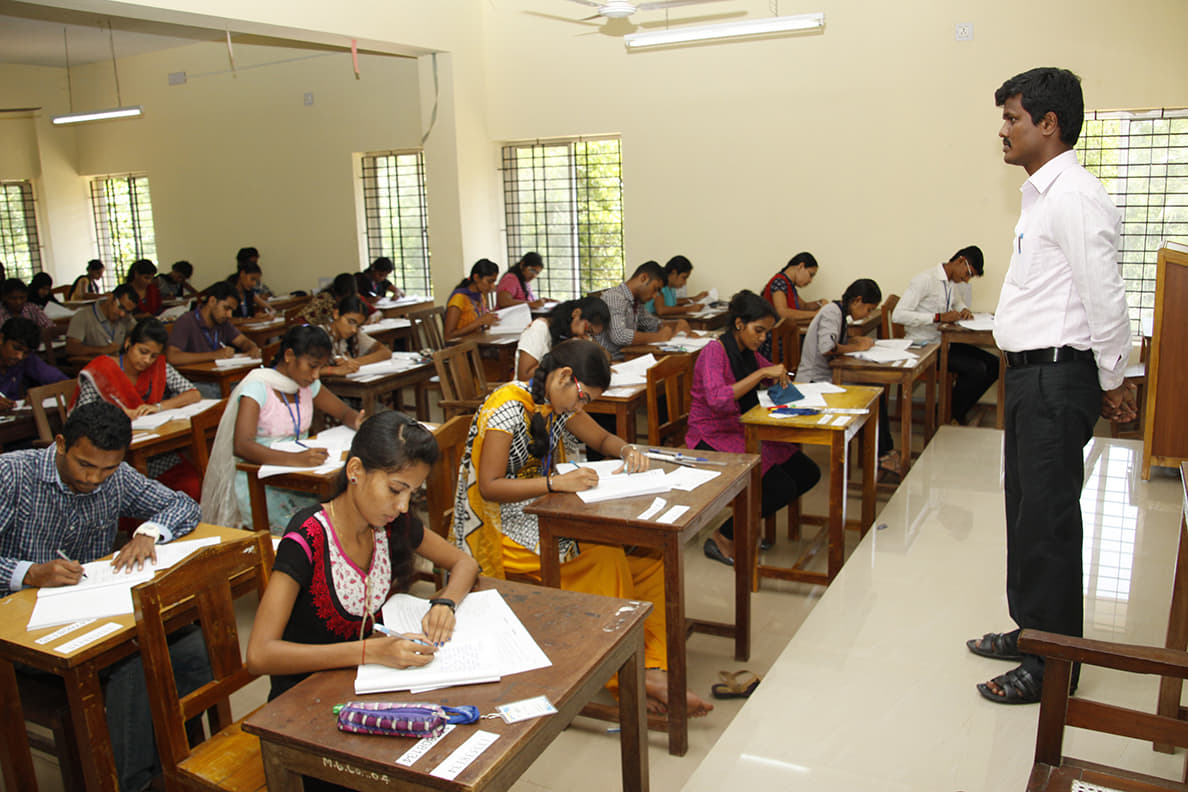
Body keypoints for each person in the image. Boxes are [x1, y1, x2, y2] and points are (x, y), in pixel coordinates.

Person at [967, 67, 1135, 706]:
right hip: (1032, 375)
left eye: (1012, 118)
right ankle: (1031, 629)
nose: (1003, 131)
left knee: (1049, 521)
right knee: (1025, 512)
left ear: (1049, 124)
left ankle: (1053, 663)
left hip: (1058, 377)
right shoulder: (1042, 196)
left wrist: (1114, 379)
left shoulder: (1074, 196)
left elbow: (1104, 295)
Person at [452, 338, 712, 717]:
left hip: (543, 509)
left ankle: (653, 665)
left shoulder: (557, 402)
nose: (581, 407)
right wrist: (554, 484)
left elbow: (602, 438)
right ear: (565, 377)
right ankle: (627, 676)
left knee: (651, 559)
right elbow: (490, 487)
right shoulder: (507, 407)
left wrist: (627, 451)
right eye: (583, 398)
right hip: (499, 527)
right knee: (604, 557)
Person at [0, 401, 206, 792]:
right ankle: (131, 783)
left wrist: (149, 531)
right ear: (60, 444)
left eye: (106, 468)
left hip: (91, 614)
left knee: (193, 645)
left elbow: (183, 505)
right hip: (21, 629)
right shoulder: (12, 474)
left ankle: (173, 763)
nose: (94, 479)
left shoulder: (116, 476)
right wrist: (27, 572)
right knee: (137, 657)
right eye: (84, 465)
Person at [246, 411, 479, 702]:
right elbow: (259, 654)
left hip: (369, 686)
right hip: (305, 699)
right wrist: (369, 652)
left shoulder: (391, 524)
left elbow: (465, 563)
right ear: (355, 470)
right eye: (395, 489)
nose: (404, 505)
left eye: (412, 493)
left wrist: (445, 603)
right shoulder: (308, 536)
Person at [688, 290, 821, 566]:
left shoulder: (747, 351)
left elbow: (770, 375)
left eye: (766, 333)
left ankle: (747, 525)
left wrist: (778, 376)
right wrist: (761, 374)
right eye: (758, 331)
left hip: (740, 427)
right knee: (780, 486)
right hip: (710, 435)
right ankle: (723, 536)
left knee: (807, 472)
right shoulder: (715, 351)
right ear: (739, 324)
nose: (762, 338)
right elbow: (717, 398)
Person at [200, 325, 364, 534]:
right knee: (315, 527)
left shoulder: (306, 384)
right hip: (260, 481)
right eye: (312, 366)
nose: (315, 375)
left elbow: (342, 412)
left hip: (302, 475)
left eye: (320, 368)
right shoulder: (257, 387)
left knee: (346, 509)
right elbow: (242, 446)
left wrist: (356, 420)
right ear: (289, 356)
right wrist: (298, 460)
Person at [73, 318, 203, 499]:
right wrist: (120, 414)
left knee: (194, 484)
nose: (147, 360)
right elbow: (83, 414)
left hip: (156, 452)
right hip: (111, 457)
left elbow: (193, 394)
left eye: (153, 356)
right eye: (143, 352)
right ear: (128, 343)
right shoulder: (101, 370)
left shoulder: (158, 367)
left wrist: (158, 407)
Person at [799, 278, 900, 475]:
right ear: (857, 300)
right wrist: (856, 347)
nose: (868, 314)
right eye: (868, 309)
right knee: (874, 395)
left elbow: (835, 339)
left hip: (829, 375)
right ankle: (882, 453)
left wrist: (855, 339)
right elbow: (827, 347)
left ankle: (883, 451)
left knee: (876, 390)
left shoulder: (839, 312)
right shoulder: (831, 312)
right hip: (815, 381)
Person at [891, 245, 999, 425]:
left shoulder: (950, 283)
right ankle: (946, 414)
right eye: (968, 274)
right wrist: (938, 317)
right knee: (977, 370)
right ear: (960, 261)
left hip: (943, 343)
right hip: (925, 347)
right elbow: (898, 315)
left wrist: (963, 309)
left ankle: (953, 410)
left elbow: (957, 302)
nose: (966, 280)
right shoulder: (925, 280)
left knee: (994, 364)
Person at [165, 281, 261, 384]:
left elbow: (242, 341)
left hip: (219, 378)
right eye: (226, 308)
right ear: (212, 301)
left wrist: (252, 347)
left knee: (256, 383)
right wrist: (213, 355)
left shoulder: (223, 322)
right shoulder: (186, 321)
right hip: (196, 382)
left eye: (232, 310)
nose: (229, 315)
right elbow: (172, 357)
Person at [595, 261, 690, 358]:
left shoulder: (636, 302)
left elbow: (651, 323)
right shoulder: (615, 297)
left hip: (629, 356)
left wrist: (677, 323)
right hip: (611, 361)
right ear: (643, 278)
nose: (654, 296)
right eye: (655, 289)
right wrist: (657, 337)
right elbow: (619, 335)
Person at [515, 295, 610, 380]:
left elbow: (607, 357)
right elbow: (524, 377)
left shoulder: (572, 335)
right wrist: (562, 353)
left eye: (590, 334)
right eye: (587, 330)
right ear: (576, 313)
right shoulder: (539, 328)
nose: (586, 336)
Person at [0, 317, 67, 409]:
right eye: (16, 348)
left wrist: (42, 393)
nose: (19, 356)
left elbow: (65, 382)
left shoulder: (26, 360)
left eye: (26, 353)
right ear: (1, 338)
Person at [318, 296, 392, 377]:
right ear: (336, 314)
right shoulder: (318, 335)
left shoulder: (355, 335)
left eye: (358, 325)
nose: (354, 330)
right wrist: (333, 370)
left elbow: (385, 352)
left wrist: (353, 362)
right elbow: (304, 371)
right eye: (350, 322)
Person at [65, 284, 138, 358]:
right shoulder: (83, 315)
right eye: (120, 307)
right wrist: (103, 350)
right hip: (92, 365)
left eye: (127, 312)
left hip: (118, 365)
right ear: (110, 297)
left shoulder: (126, 318)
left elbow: (141, 333)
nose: (122, 314)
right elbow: (72, 348)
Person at [444, 258, 499, 339]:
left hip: (477, 343)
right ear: (476, 277)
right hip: (461, 348)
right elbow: (448, 336)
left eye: (494, 282)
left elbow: (478, 328)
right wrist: (480, 322)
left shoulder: (481, 297)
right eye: (489, 281)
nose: (492, 286)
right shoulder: (458, 299)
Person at [226, 248, 274, 318]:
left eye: (256, 280)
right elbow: (228, 321)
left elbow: (271, 309)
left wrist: (267, 315)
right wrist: (255, 319)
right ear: (242, 274)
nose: (254, 284)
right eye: (252, 279)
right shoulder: (228, 292)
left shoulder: (248, 292)